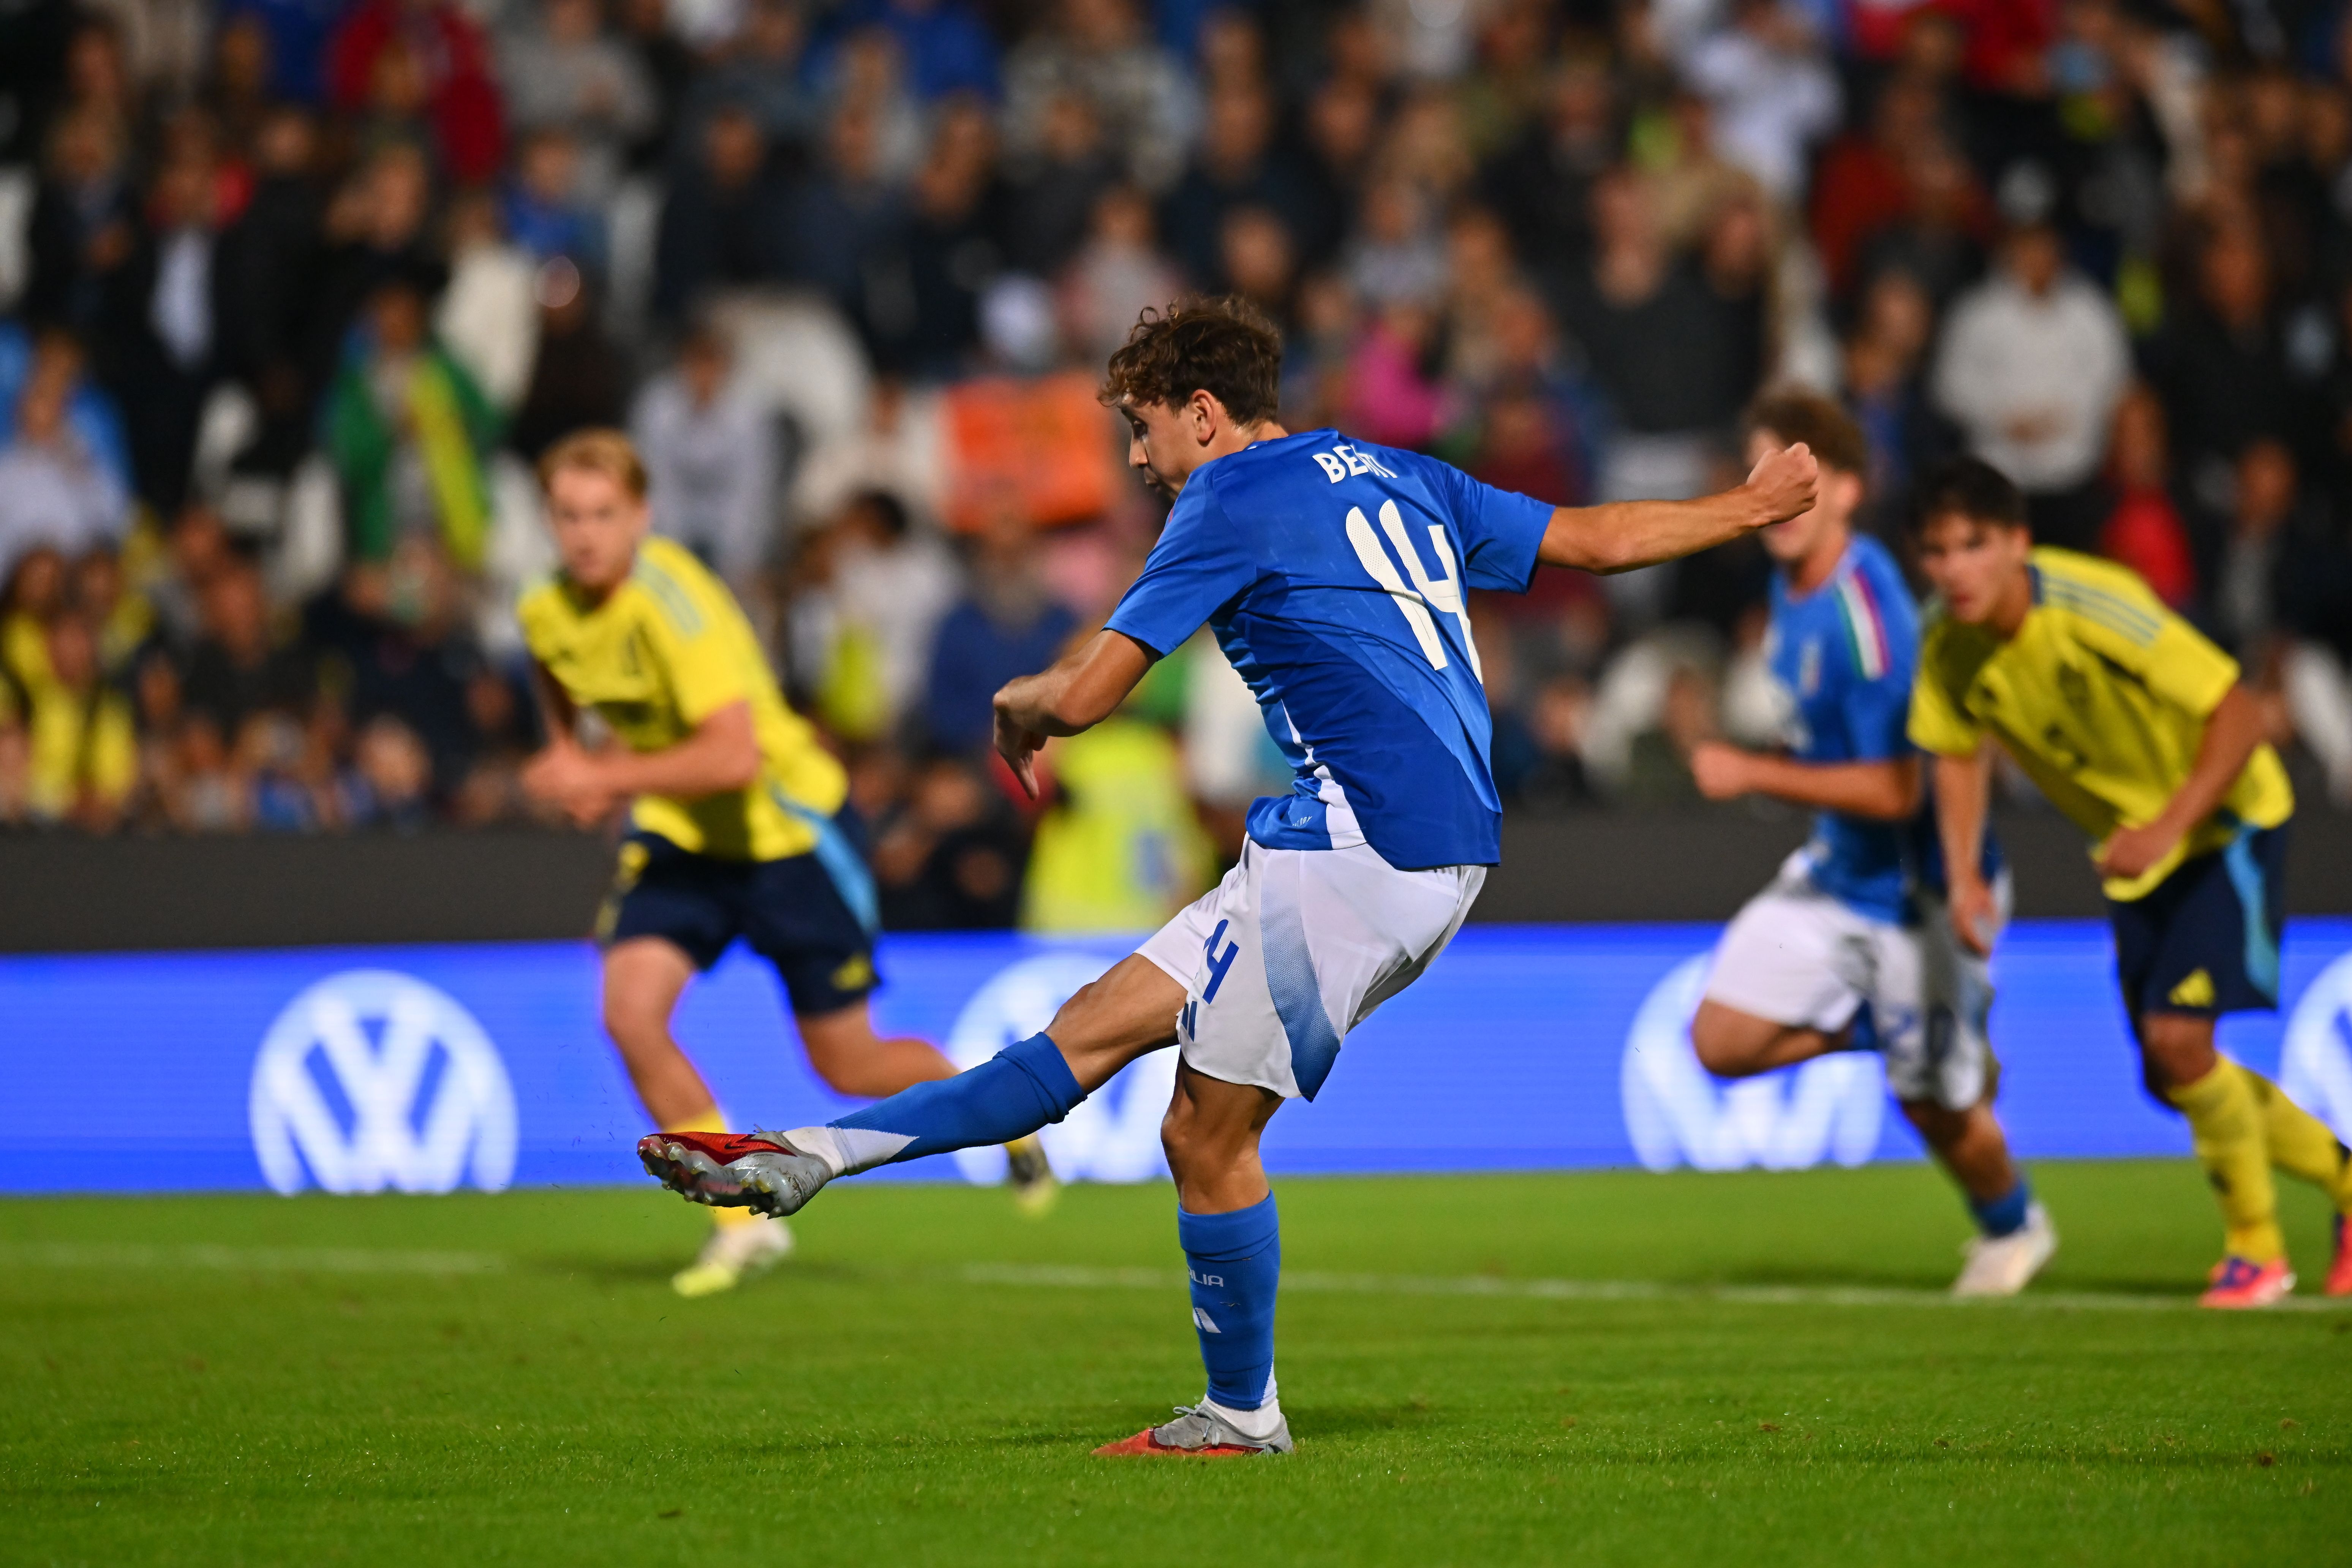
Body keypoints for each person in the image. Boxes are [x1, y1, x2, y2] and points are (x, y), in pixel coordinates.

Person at [637, 296, 1819, 1454]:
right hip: (1387, 840)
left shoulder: (1227, 498)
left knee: (1205, 1138)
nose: (1142, 461)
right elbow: (1595, 541)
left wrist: (1018, 704)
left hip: (1363, 847)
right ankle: (810, 1156)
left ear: (1204, 414)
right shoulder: (1398, 471)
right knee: (1089, 1030)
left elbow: (1090, 696)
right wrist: (1753, 506)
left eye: (1144, 429)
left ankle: (1241, 1415)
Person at [515, 429, 1055, 1300]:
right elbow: (556, 669)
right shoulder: (546, 604)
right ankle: (737, 1223)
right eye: (568, 515)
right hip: (684, 838)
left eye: (604, 515)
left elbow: (733, 759)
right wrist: (570, 749)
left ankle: (1005, 1110)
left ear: (642, 517)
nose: (584, 534)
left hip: (789, 836)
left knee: (846, 1064)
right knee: (629, 1012)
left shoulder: (676, 605)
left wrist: (598, 773)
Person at [1906, 458, 2352, 1309]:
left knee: (2178, 1045)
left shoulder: (2093, 605)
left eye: (1974, 545)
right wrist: (1963, 875)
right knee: (2168, 1070)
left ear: (2018, 545)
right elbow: (1956, 752)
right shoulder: (1947, 641)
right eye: (1937, 551)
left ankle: (2256, 1252)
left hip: (2226, 824)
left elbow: (2239, 710)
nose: (1955, 568)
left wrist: (2169, 826)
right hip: (2137, 848)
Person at [1686, 391, 2052, 1296]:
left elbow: (1899, 787)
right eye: (1761, 475)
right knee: (1720, 1039)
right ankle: (1889, 1030)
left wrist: (1754, 773)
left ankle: (2015, 1228)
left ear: (1845, 491)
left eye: (1795, 478)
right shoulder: (1790, 580)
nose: (1772, 495)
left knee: (1941, 1108)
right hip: (1838, 870)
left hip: (1914, 892)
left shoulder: (1867, 609)